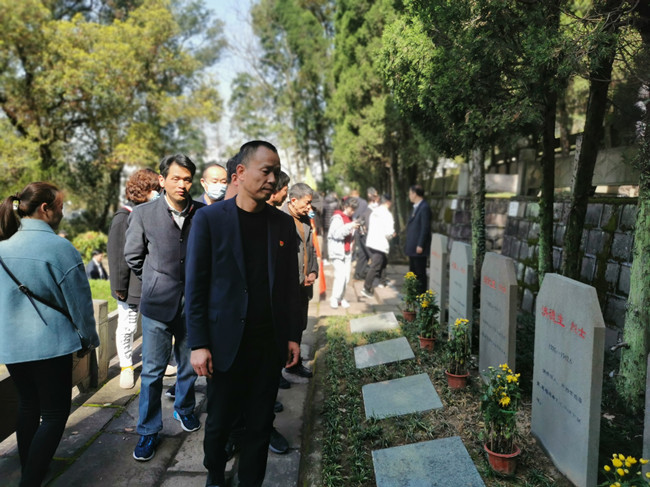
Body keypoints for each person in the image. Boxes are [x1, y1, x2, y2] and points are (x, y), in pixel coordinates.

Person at [185, 140, 301, 487]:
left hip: (268, 344)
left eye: (276, 172)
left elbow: (288, 287)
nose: (272, 179)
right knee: (219, 421)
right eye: (265, 171)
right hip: (224, 345)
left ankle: (251, 480)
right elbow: (196, 286)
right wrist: (198, 343)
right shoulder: (209, 219)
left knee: (260, 423)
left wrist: (293, 335)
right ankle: (215, 473)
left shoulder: (282, 224)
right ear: (241, 172)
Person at [0, 182, 100, 487]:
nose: (62, 212)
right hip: (51, 344)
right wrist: (89, 340)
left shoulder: (3, 248)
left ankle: (30, 466)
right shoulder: (60, 249)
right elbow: (80, 303)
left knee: (28, 405)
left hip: (12, 346)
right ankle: (30, 479)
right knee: (55, 414)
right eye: (60, 206)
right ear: (45, 209)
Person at [124, 154, 203, 462]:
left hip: (193, 304)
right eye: (175, 178)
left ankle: (185, 408)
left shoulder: (202, 213)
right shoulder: (144, 214)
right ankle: (148, 430)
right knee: (152, 372)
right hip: (157, 305)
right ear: (162, 180)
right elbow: (133, 255)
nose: (182, 184)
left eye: (187, 179)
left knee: (188, 364)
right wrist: (154, 281)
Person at [107, 168, 160, 389]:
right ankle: (126, 366)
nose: (158, 193)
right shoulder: (124, 216)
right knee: (127, 326)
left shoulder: (153, 213)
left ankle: (153, 362)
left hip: (150, 281)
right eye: (154, 189)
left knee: (152, 326)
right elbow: (117, 255)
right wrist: (119, 286)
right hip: (130, 284)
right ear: (142, 189)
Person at [282, 182, 318, 380]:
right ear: (294, 200)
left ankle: (294, 364)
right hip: (288, 285)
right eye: (307, 203)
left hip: (304, 285)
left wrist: (312, 271)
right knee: (285, 326)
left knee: (300, 324)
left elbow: (311, 248)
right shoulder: (281, 219)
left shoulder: (305, 220)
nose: (309, 207)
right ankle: (281, 366)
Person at [328, 197, 360, 309]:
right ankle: (334, 298)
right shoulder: (337, 217)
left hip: (347, 252)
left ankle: (341, 298)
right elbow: (336, 234)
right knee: (340, 277)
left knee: (346, 278)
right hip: (337, 252)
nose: (353, 211)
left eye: (354, 209)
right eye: (351, 209)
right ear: (345, 206)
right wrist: (350, 226)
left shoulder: (351, 218)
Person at [361, 194, 395, 298]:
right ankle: (366, 288)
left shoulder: (375, 211)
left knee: (383, 261)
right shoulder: (387, 214)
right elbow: (389, 232)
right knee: (375, 266)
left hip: (372, 241)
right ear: (388, 202)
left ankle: (382, 281)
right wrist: (392, 235)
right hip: (380, 243)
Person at [405, 184, 432, 293]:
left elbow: (425, 228)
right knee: (413, 272)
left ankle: (421, 295)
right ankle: (413, 295)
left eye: (410, 193)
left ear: (415, 194)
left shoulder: (424, 207)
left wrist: (420, 244)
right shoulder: (416, 207)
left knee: (420, 273)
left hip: (418, 247)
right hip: (412, 245)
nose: (409, 196)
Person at [353, 187, 378, 280]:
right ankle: (377, 273)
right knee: (371, 254)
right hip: (366, 232)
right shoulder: (366, 205)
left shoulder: (363, 204)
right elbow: (364, 219)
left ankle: (359, 273)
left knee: (363, 254)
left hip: (360, 231)